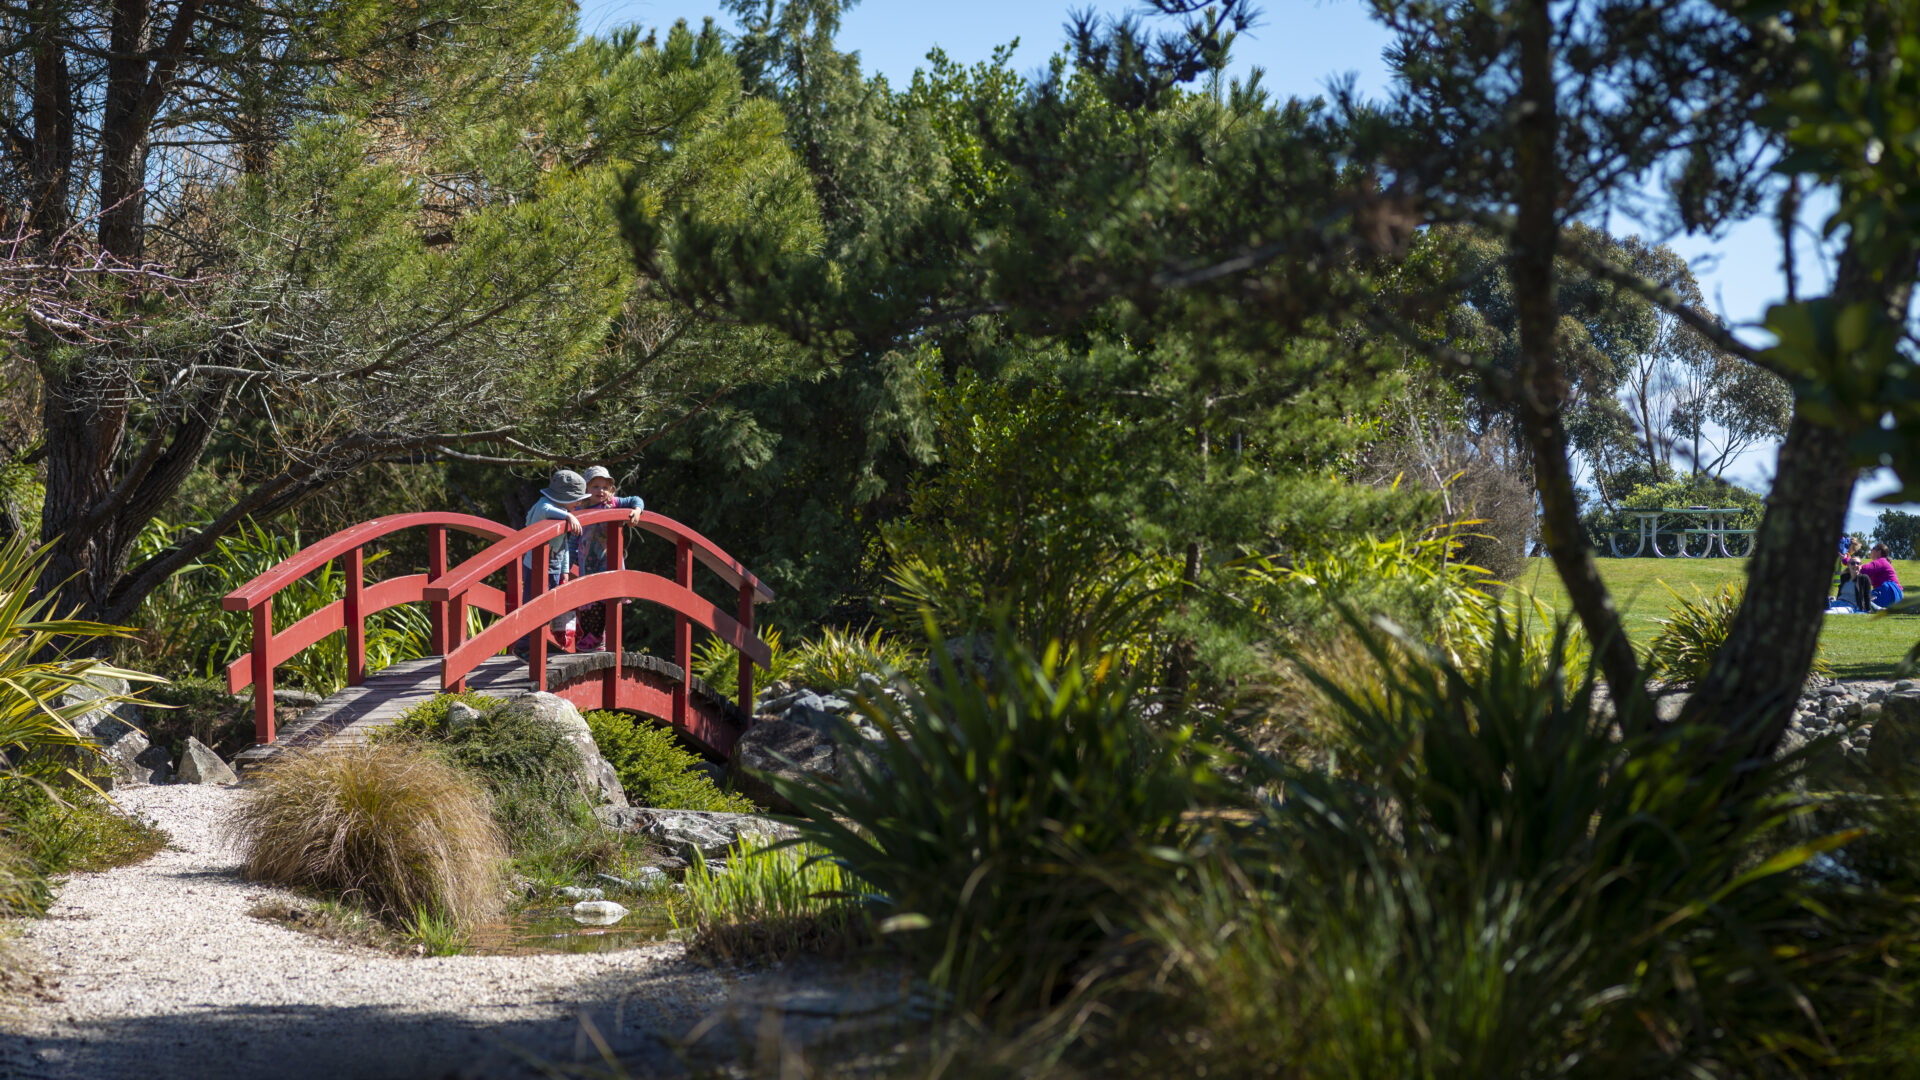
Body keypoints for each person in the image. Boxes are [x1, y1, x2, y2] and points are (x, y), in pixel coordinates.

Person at [572, 465, 645, 651]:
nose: (600, 491)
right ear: (586, 489)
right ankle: (591, 636)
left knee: (602, 601)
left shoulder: (612, 504)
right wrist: (570, 559)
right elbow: (574, 537)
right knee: (587, 603)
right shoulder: (580, 509)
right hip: (587, 563)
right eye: (595, 486)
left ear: (610, 490)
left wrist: (636, 510)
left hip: (607, 561)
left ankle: (597, 638)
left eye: (605, 487)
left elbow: (636, 499)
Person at [520, 469, 586, 654]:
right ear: (564, 497)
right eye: (577, 499)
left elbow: (563, 545)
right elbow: (545, 510)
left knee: (548, 608)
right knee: (534, 606)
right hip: (536, 568)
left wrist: (565, 570)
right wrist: (568, 516)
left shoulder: (561, 510)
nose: (580, 502)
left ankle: (539, 645)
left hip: (554, 568)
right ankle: (524, 646)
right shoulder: (545, 506)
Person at [1861, 542, 1905, 610]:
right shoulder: (1883, 562)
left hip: (1889, 595)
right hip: (1894, 595)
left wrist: (1849, 561)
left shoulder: (1881, 561)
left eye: (1873, 548)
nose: (1871, 550)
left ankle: (1879, 609)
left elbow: (1862, 569)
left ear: (1879, 552)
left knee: (1859, 600)